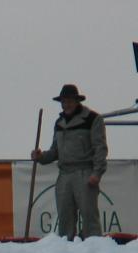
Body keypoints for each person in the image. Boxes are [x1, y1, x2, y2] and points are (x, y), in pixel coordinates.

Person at [31, 84, 108, 241]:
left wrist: (97, 173)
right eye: (63, 101)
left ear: (76, 101)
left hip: (84, 172)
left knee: (89, 216)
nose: (66, 104)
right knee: (65, 219)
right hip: (64, 175)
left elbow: (100, 149)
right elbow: (55, 152)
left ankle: (93, 250)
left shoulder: (93, 119)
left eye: (69, 101)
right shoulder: (59, 123)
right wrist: (40, 157)